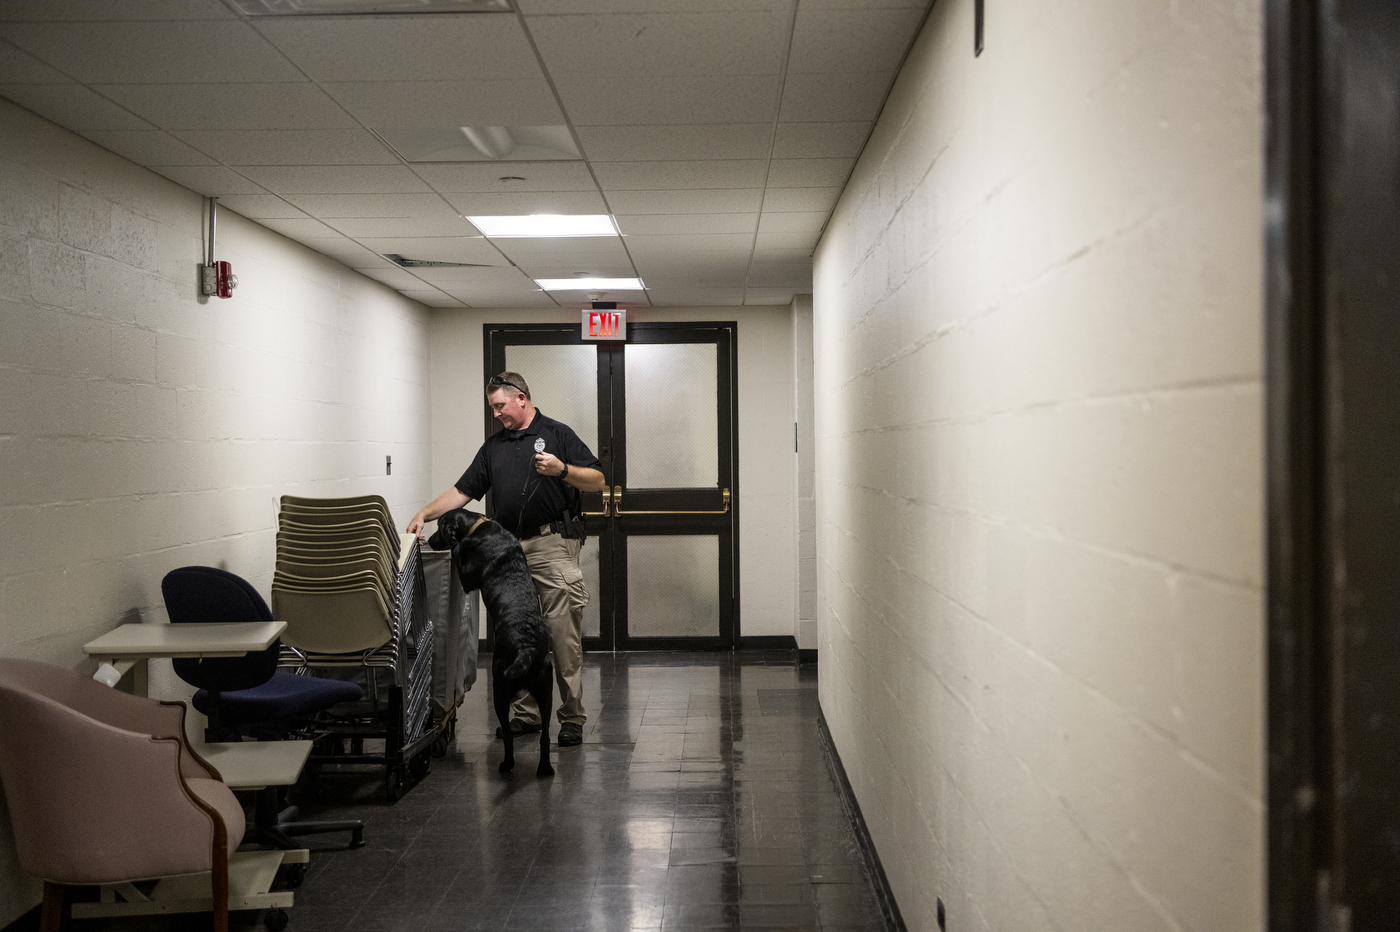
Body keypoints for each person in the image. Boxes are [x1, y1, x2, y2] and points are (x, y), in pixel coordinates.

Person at [408, 372, 605, 748]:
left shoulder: (558, 434)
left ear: (522, 398)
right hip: (507, 553)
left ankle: (572, 718)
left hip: (551, 547)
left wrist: (562, 469)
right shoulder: (494, 447)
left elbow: (597, 480)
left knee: (561, 635)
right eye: (493, 408)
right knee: (517, 633)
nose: (497, 413)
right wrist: (425, 513)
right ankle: (528, 716)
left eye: (500, 406)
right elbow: (463, 491)